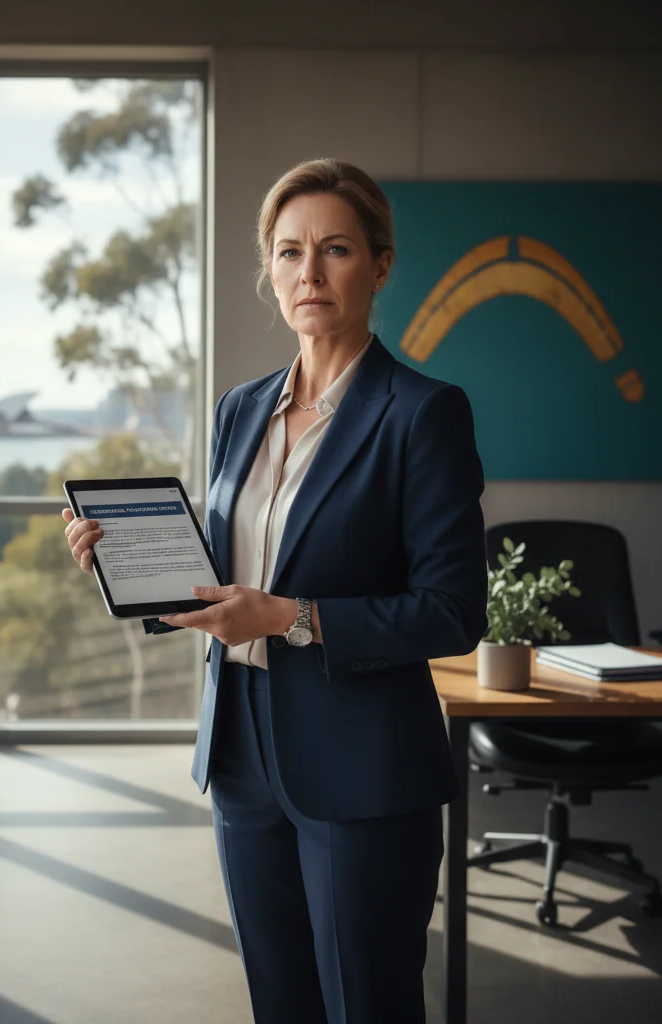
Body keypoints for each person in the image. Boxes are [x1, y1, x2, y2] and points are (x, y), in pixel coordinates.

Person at [62, 157, 487, 1024]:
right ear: (270, 270)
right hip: (242, 755)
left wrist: (293, 618)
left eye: (334, 249)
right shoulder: (240, 409)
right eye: (289, 252)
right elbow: (222, 578)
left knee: (366, 1006)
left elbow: (453, 611)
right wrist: (127, 565)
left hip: (363, 766)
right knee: (280, 1005)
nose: (310, 273)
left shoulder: (422, 413)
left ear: (380, 263)